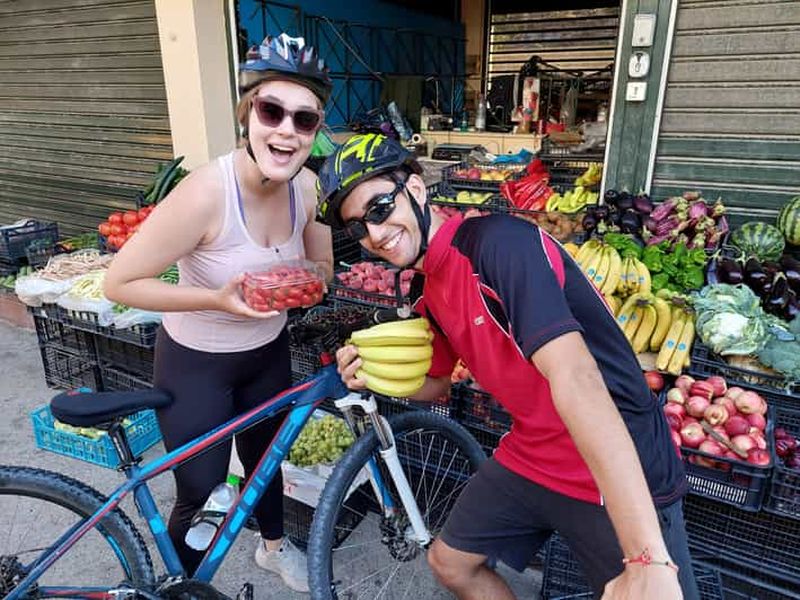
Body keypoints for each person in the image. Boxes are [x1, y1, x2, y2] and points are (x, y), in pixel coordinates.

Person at [316, 133, 699, 600]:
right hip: (534, 451)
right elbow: (436, 385)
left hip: (613, 457)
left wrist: (646, 558)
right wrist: (371, 372)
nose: (374, 235)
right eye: (358, 228)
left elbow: (577, 376)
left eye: (379, 209)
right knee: (451, 562)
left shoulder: (500, 245)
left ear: (416, 189)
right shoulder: (426, 288)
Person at [104, 34, 334, 593]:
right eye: (272, 110)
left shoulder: (307, 188)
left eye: (304, 120)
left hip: (267, 352)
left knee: (265, 464)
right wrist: (215, 299)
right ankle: (182, 585)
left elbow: (323, 263)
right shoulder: (205, 193)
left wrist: (307, 284)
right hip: (196, 361)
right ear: (246, 114)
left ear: (315, 131)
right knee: (201, 488)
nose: (286, 130)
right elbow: (120, 282)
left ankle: (273, 549)